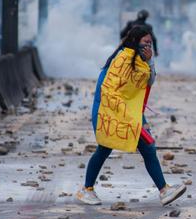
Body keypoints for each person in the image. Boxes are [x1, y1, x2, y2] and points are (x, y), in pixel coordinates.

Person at [75, 25, 186, 206]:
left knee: (148, 147)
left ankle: (164, 190)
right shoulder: (122, 60)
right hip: (108, 110)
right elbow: (108, 90)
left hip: (129, 111)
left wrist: (150, 62)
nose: (149, 47)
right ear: (135, 42)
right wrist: (126, 116)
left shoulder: (140, 61)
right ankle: (86, 189)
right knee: (105, 147)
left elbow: (148, 81)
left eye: (151, 43)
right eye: (145, 43)